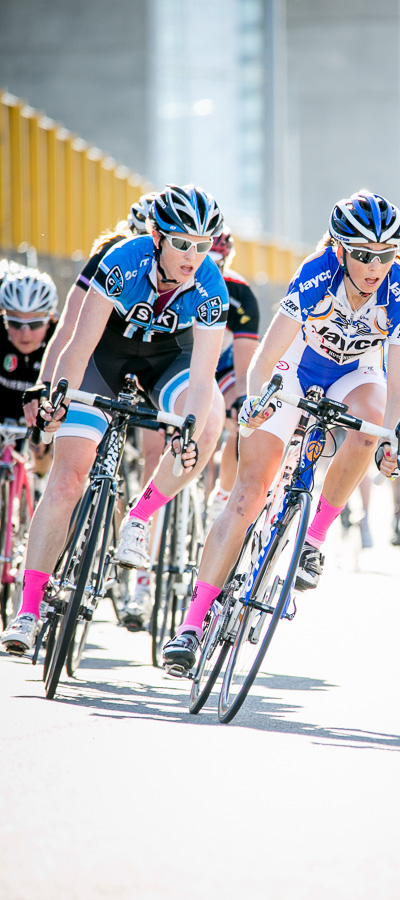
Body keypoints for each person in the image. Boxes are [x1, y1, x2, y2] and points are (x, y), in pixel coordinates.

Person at [162, 189, 400, 673]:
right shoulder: (318, 273)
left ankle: (315, 537)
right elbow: (262, 362)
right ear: (340, 250)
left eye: (385, 256)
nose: (374, 265)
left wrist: (394, 436)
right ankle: (191, 626)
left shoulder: (399, 291)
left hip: (354, 376)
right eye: (362, 255)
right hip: (294, 368)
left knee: (372, 423)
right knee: (248, 496)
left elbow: (399, 384)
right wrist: (258, 402)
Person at [1, 183, 229, 655]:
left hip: (169, 362)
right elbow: (78, 344)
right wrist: (56, 394)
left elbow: (204, 378)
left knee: (208, 424)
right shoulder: (123, 259)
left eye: (203, 246)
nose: (193, 255)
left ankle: (140, 518)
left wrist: (187, 429)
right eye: (183, 243)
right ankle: (27, 611)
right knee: (67, 480)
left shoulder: (211, 286)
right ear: (157, 236)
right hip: (107, 360)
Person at [206, 227, 261, 524]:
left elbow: (244, 372)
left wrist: (240, 403)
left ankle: (221, 496)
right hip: (177, 363)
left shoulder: (239, 294)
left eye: (216, 266)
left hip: (223, 368)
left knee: (239, 419)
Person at [0, 268, 59, 485]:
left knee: (42, 450)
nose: (25, 333)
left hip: (39, 411)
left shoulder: (58, 338)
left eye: (34, 325)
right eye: (15, 323)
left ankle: (37, 484)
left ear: (50, 319)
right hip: (4, 406)